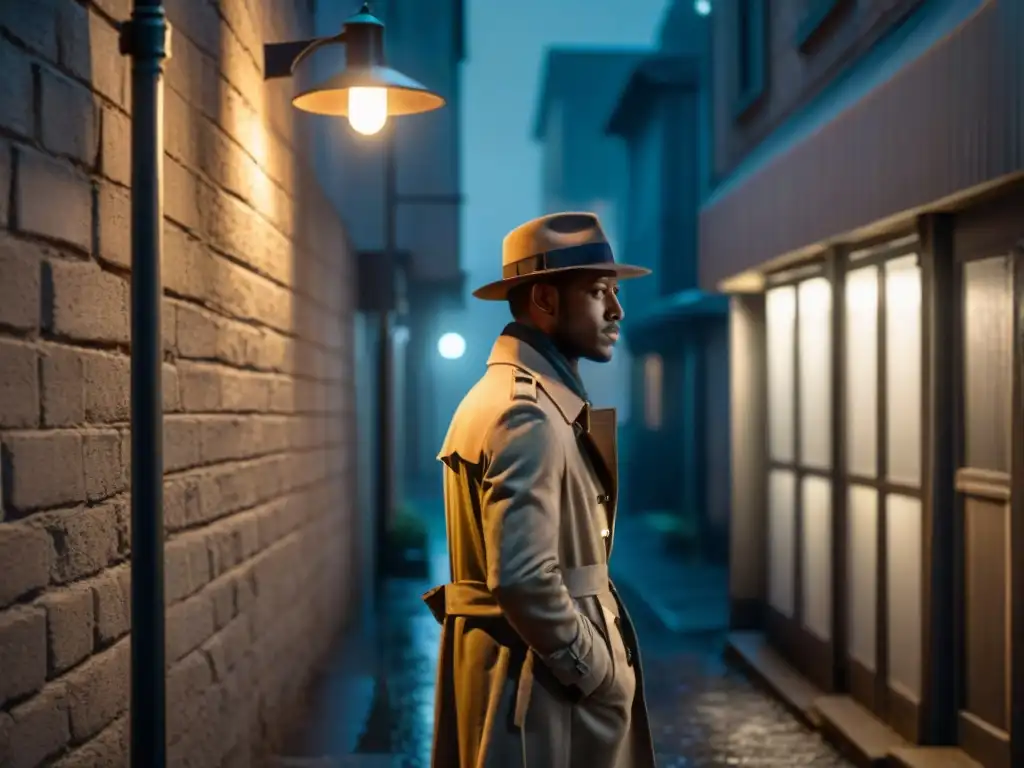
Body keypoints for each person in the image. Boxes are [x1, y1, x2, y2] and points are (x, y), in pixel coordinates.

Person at [423, 212, 657, 768]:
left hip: (530, 680)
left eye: (615, 292)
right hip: (542, 693)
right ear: (546, 301)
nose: (617, 311)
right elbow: (524, 578)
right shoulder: (523, 412)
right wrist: (595, 671)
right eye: (599, 292)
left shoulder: (519, 399)